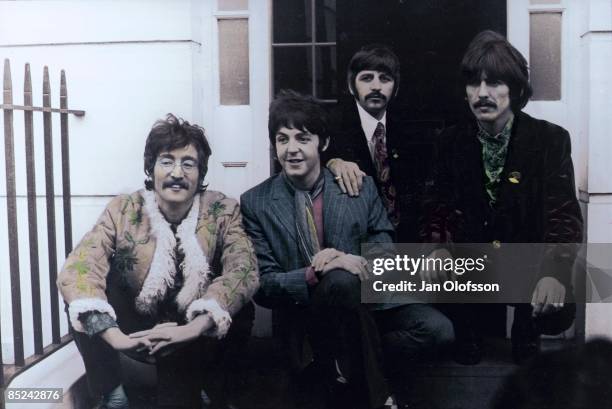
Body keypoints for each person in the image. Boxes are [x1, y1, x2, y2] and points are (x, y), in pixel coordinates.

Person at [58, 114, 259, 408]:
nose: (177, 172)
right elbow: (80, 266)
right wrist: (116, 337)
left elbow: (244, 269)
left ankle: (211, 389)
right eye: (167, 161)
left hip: (192, 331)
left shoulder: (222, 209)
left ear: (200, 173)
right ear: (151, 169)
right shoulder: (124, 208)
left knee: (241, 310)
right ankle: (112, 393)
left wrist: (191, 329)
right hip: (134, 326)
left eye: (188, 163)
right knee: (82, 300)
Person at [421, 30, 583, 364]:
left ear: (516, 88)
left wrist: (553, 271)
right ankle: (468, 330)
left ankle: (528, 327)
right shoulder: (450, 141)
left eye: (494, 83)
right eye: (474, 84)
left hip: (526, 259)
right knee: (430, 266)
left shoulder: (549, 139)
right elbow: (436, 205)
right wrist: (437, 247)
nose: (482, 93)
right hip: (473, 261)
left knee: (560, 302)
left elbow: (563, 214)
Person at [241, 90, 394, 409]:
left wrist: (350, 261)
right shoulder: (255, 202)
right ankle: (376, 398)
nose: (291, 149)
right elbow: (263, 285)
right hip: (300, 317)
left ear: (323, 144)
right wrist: (315, 272)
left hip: (361, 305)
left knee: (434, 329)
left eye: (303, 138)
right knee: (337, 280)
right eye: (282, 139)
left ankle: (342, 368)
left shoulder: (357, 186)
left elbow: (386, 254)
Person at [324, 44, 437, 242]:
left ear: (396, 88)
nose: (376, 86)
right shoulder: (333, 128)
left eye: (384, 78)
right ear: (351, 86)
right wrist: (334, 162)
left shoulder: (411, 131)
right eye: (367, 78)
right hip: (359, 245)